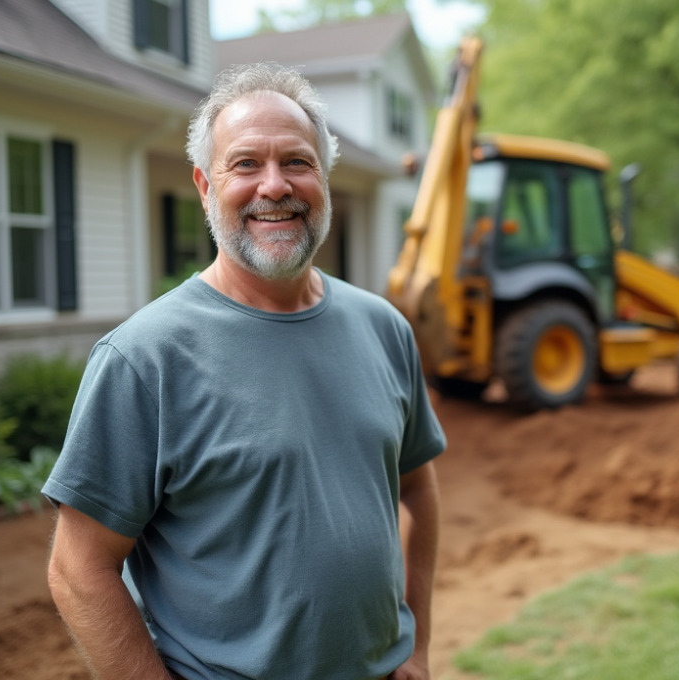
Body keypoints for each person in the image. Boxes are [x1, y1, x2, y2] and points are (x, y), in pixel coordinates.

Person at [44, 62, 446, 680]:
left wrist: (415, 649)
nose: (275, 185)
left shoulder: (384, 327)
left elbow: (418, 488)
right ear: (205, 187)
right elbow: (78, 569)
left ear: (325, 180)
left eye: (297, 162)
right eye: (245, 164)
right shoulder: (144, 359)